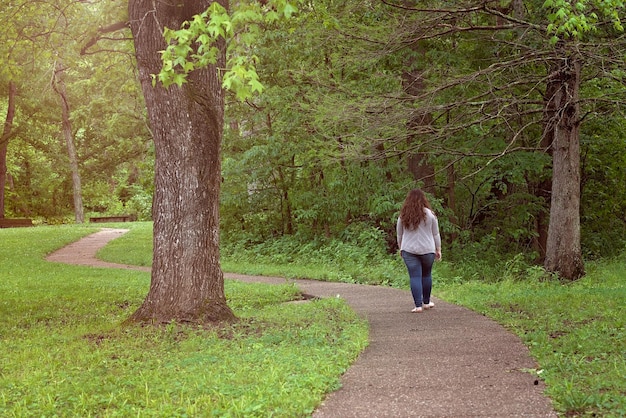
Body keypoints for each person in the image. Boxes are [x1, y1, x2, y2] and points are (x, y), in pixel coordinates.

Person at [397, 189, 442, 313]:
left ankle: (418, 306)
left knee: (415, 276)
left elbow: (399, 234)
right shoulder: (430, 214)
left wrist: (401, 247)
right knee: (426, 275)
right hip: (428, 249)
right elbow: (436, 234)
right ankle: (426, 302)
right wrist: (438, 249)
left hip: (409, 250)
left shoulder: (403, 215)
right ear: (423, 199)